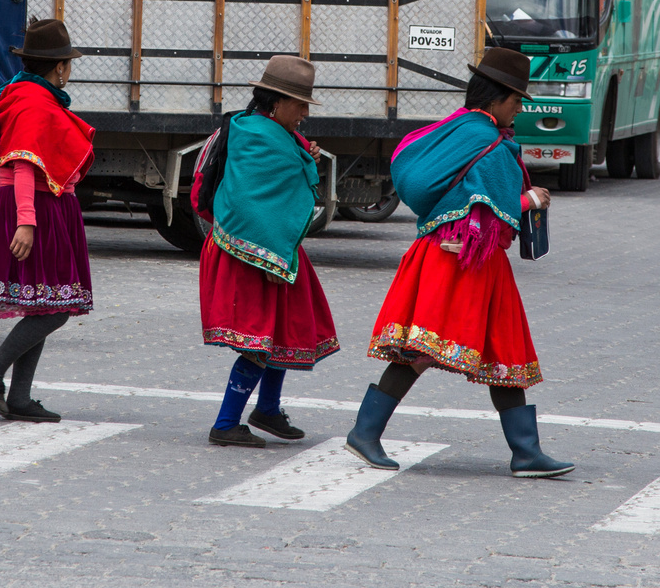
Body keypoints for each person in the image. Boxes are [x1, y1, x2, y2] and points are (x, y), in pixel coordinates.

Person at [344, 46, 573, 479]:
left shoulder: (456, 127)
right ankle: (365, 431)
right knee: (422, 349)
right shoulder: (489, 142)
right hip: (459, 261)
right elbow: (488, 205)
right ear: (498, 98)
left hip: (457, 256)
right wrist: (530, 199)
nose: (519, 111)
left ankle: (526, 452)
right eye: (518, 101)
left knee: (503, 350)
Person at [198, 55, 340, 448]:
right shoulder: (264, 139)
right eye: (300, 105)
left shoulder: (258, 129)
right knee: (259, 338)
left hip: (275, 248)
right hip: (256, 253)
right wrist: (272, 259)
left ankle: (269, 409)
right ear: (276, 102)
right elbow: (251, 202)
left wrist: (300, 154)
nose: (305, 114)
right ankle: (226, 423)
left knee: (285, 329)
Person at [0, 19, 94, 423]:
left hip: (46, 205)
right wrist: (27, 221)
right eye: (68, 64)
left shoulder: (29, 96)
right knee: (53, 308)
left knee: (41, 304)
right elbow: (23, 163)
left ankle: (20, 397)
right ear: (59, 68)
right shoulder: (35, 102)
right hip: (36, 206)